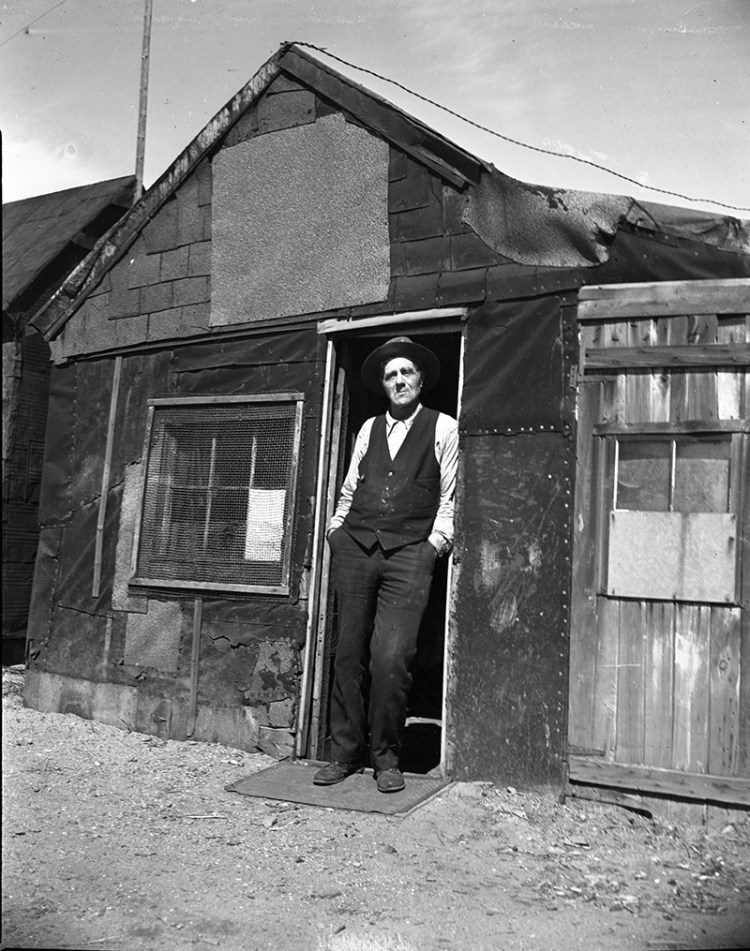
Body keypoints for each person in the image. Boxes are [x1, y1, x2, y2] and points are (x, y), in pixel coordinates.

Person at [313, 336, 458, 793]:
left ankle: (387, 757)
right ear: (383, 383)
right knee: (348, 654)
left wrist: (434, 544)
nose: (399, 381)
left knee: (391, 658)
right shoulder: (369, 429)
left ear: (420, 380)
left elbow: (451, 497)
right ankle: (344, 752)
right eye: (391, 375)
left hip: (410, 554)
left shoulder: (444, 428)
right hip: (355, 547)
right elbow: (350, 487)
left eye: (406, 373)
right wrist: (336, 531)